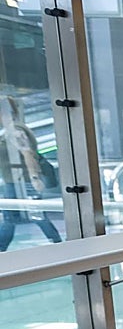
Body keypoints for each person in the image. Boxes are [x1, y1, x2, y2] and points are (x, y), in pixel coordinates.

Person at [0, 95, 62, 251]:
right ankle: (58, 243)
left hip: (21, 181)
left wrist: (34, 178)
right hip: (16, 181)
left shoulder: (15, 131)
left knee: (31, 216)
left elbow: (27, 154)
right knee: (13, 218)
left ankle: (58, 244)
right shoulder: (12, 130)